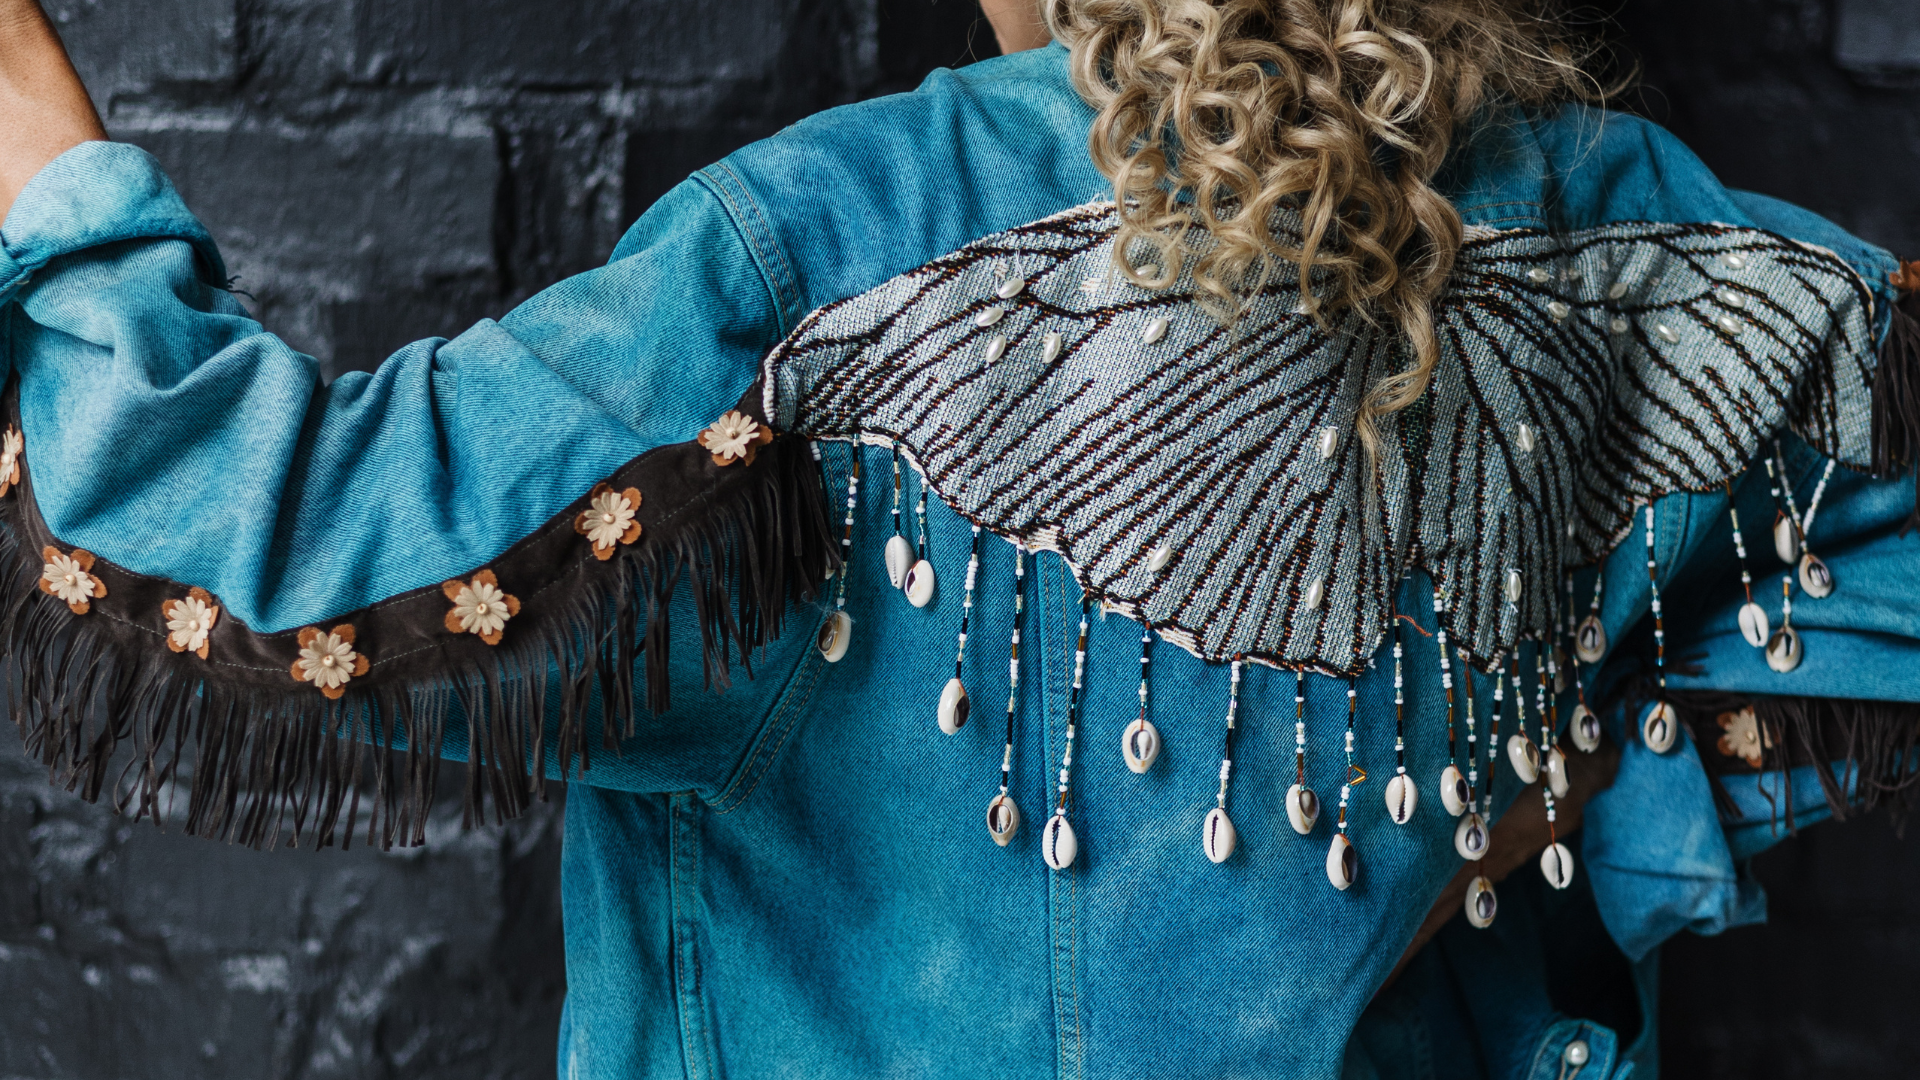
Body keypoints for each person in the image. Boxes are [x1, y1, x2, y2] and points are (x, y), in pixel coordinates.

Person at [0, 0, 1916, 1077]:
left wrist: (52, 179)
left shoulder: (829, 255)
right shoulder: (1622, 224)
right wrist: (1563, 799)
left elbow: (286, 547)